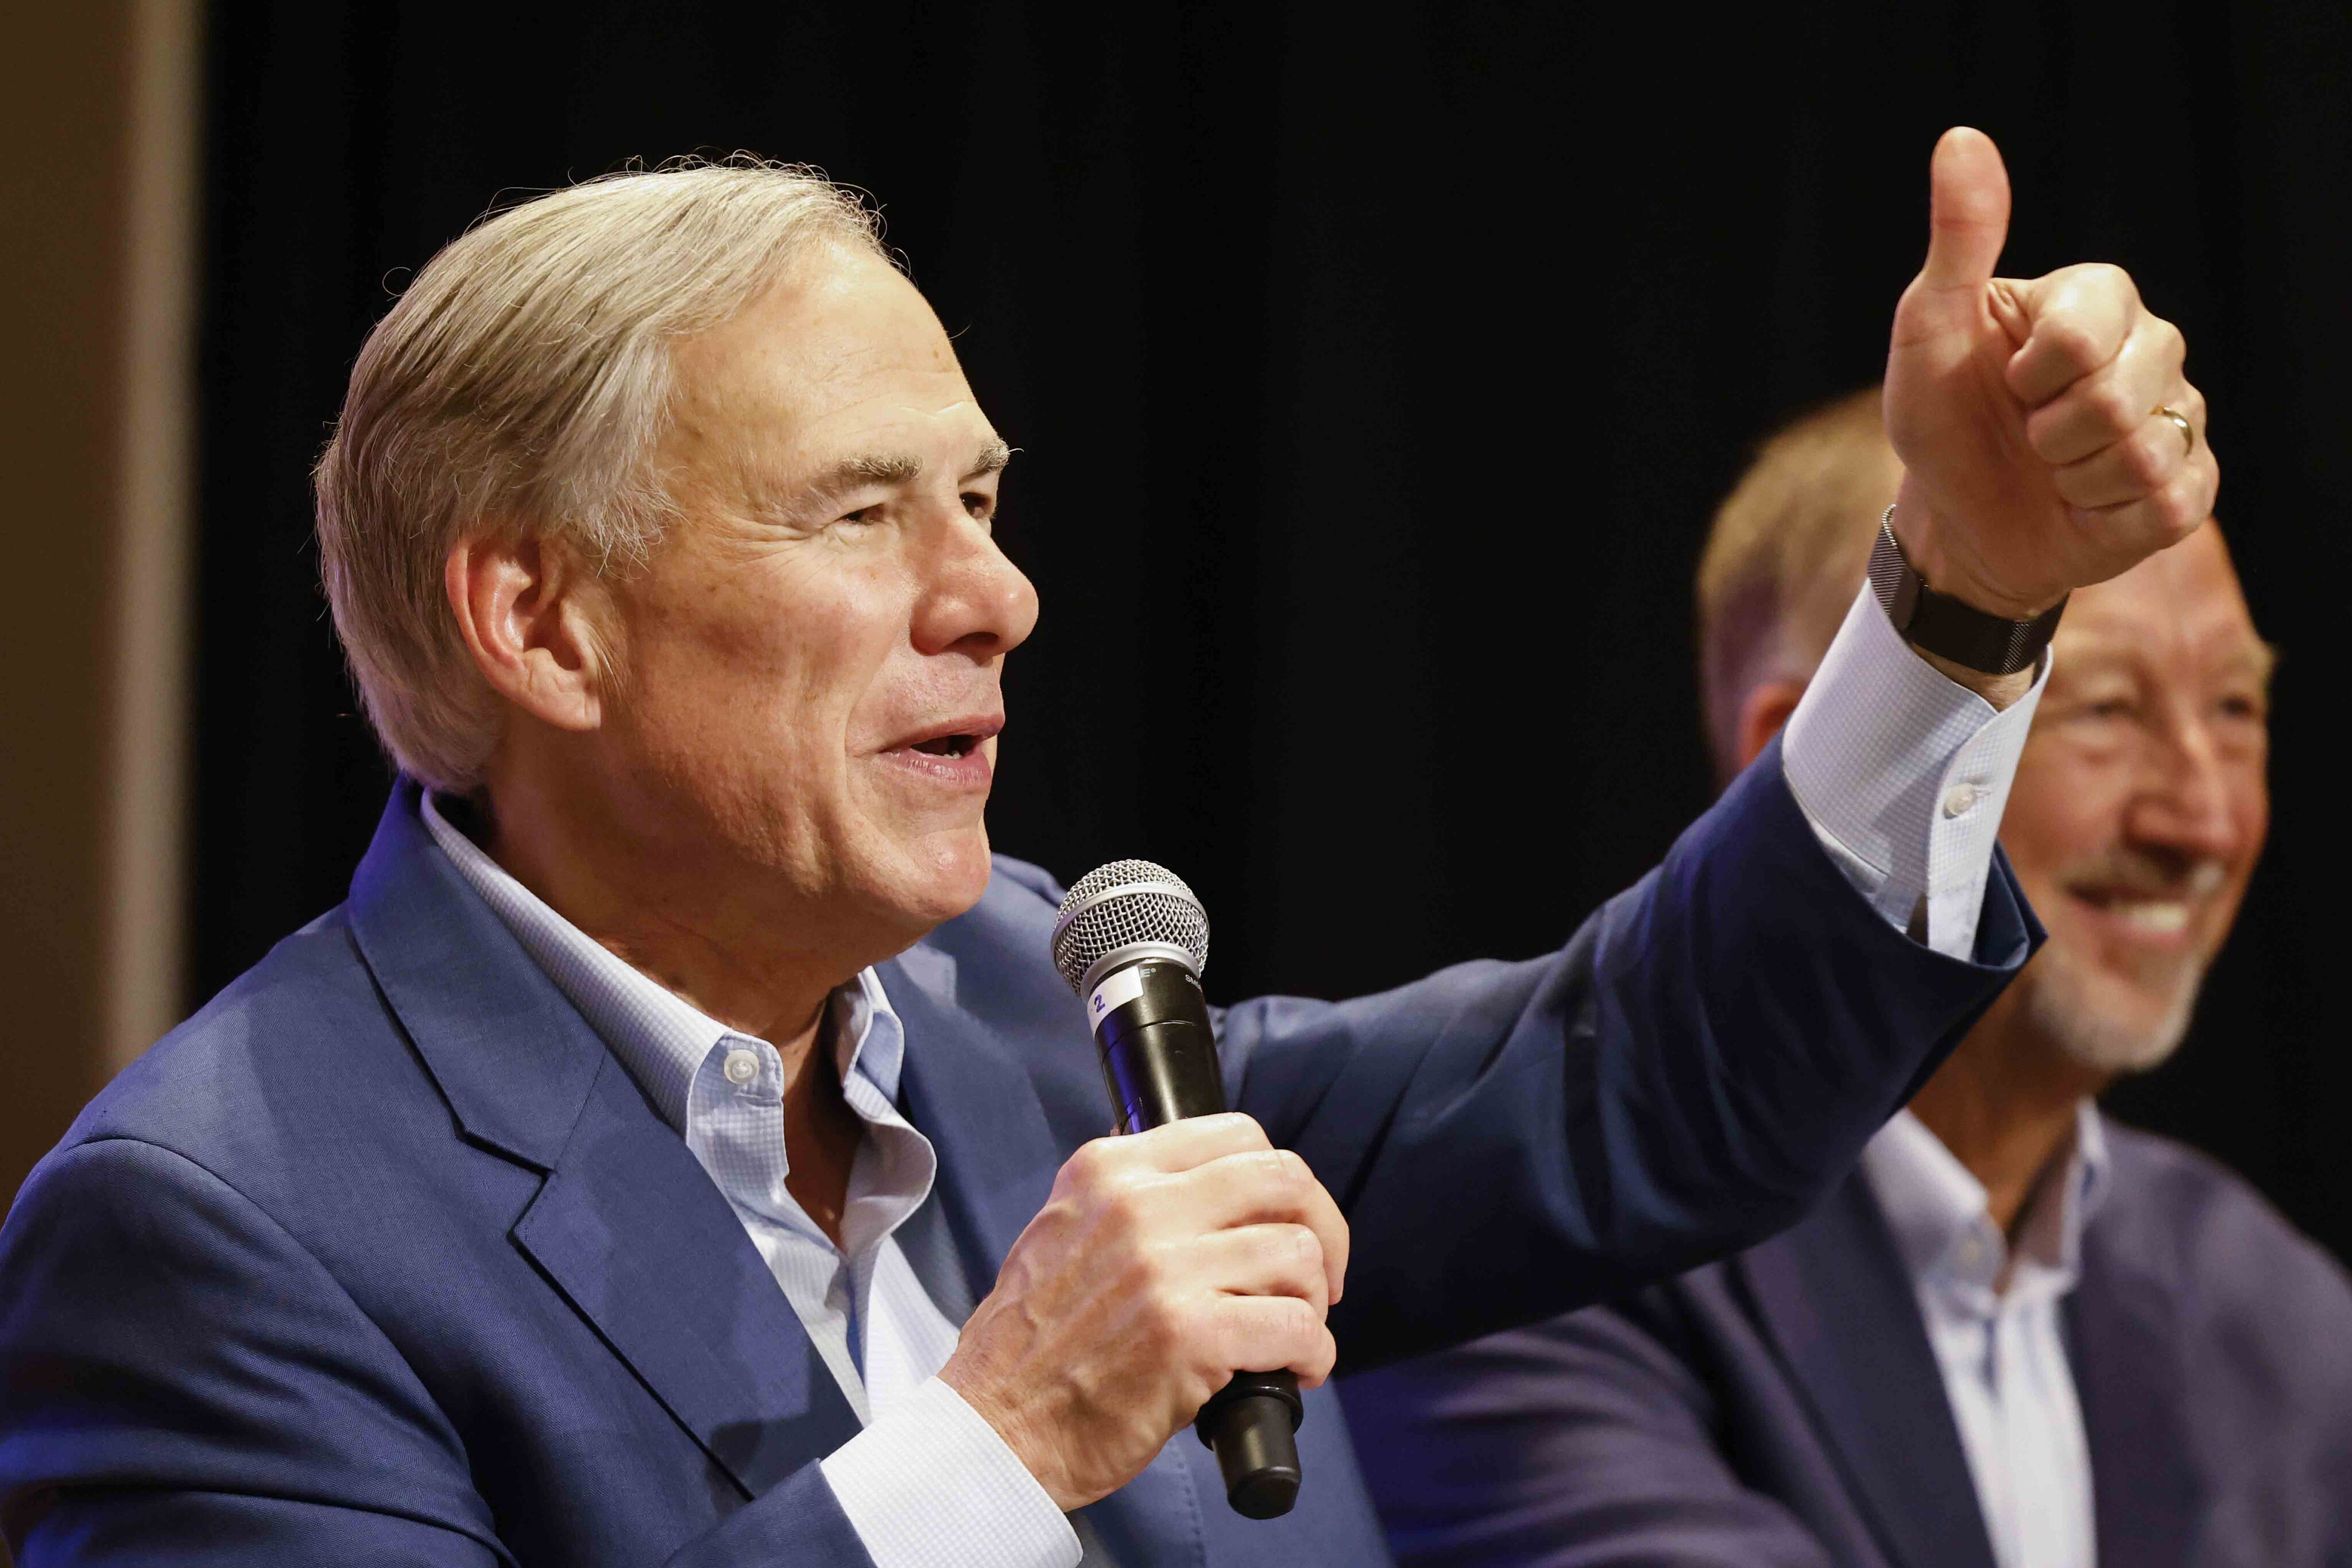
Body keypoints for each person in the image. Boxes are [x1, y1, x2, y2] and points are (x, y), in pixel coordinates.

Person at [0, 129, 2213, 1567]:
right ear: (540, 620)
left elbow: (1633, 1080)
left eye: (980, 500)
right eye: (861, 511)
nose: (993, 596)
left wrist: (1958, 592)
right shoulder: (221, 1226)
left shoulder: (1033, 1008)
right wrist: (991, 1442)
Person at [1340, 390, 2352, 1567]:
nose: (2203, 817)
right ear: (1800, 762)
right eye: (2105, 709)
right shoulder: (1516, 1258)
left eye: (2234, 707)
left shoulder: (2269, 1309)